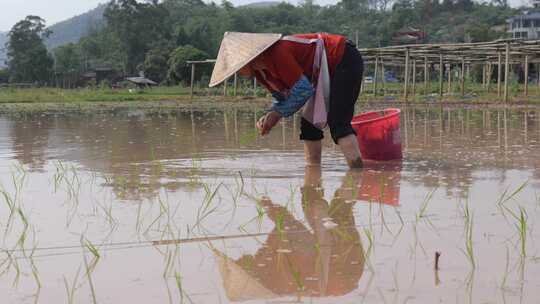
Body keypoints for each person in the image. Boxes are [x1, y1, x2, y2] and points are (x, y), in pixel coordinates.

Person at [209, 32, 364, 168]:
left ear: (248, 59)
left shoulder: (277, 52)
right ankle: (313, 173)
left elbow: (303, 91)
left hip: (342, 58)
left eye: (237, 68)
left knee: (338, 122)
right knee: (309, 126)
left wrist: (276, 114)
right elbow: (282, 96)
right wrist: (269, 115)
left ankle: (357, 174)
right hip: (318, 74)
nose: (238, 73)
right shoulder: (260, 72)